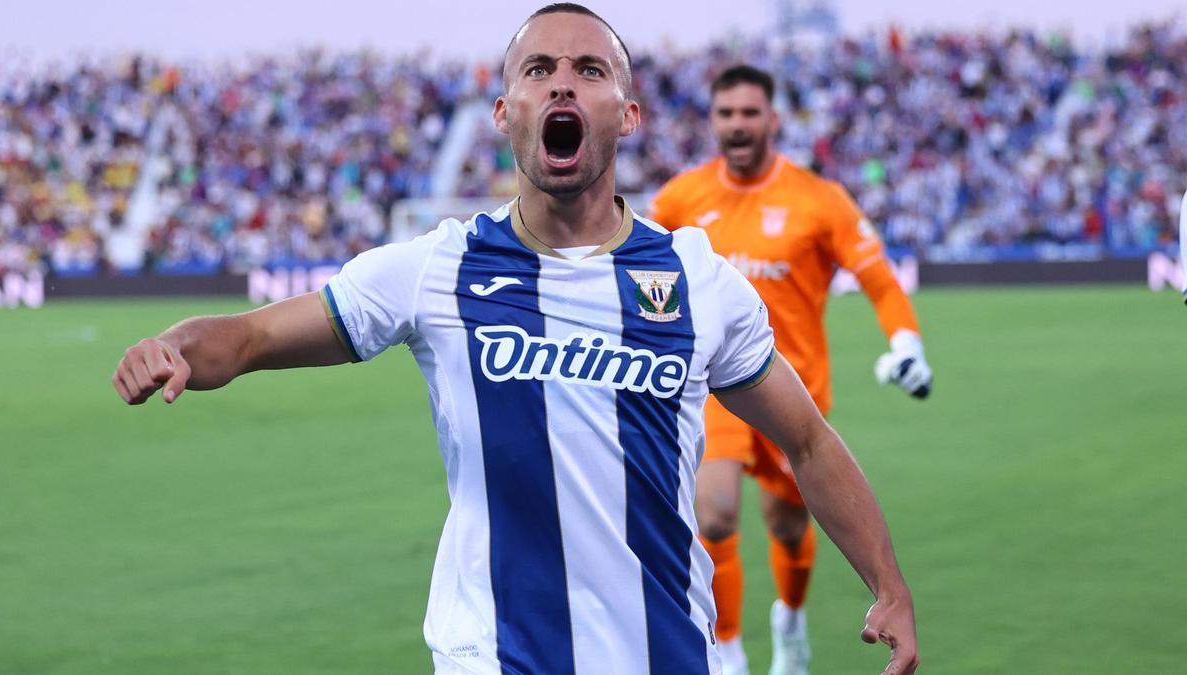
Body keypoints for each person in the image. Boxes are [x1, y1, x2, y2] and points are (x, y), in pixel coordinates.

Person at [112, 8, 919, 675]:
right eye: (536, 70)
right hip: (492, 654)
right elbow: (251, 335)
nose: (562, 80)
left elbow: (807, 439)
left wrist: (888, 583)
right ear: (505, 113)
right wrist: (177, 344)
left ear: (627, 115)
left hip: (666, 654)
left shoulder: (695, 281)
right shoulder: (436, 269)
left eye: (590, 69)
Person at [647, 64, 932, 675]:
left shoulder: (820, 199)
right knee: (715, 510)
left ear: (773, 120)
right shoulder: (679, 199)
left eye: (750, 113)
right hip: (712, 389)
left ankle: (791, 620)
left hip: (791, 391)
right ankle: (727, 647)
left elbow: (879, 281)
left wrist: (906, 342)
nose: (737, 124)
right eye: (726, 114)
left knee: (786, 525)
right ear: (713, 122)